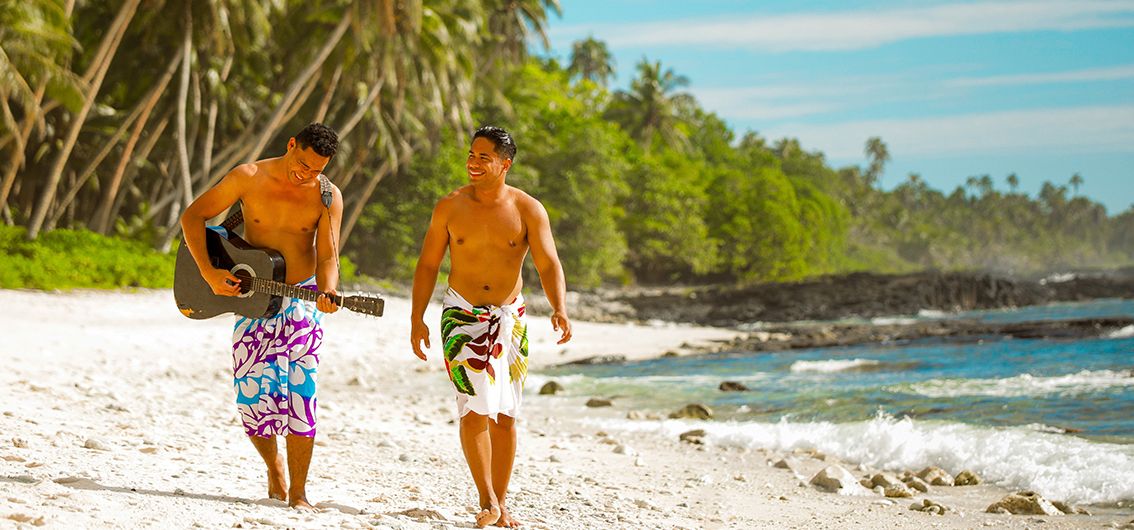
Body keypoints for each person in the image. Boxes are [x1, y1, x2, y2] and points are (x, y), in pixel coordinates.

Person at [410, 126, 572, 528]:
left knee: (506, 414)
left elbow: (548, 262)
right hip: (461, 315)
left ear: (505, 164)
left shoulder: (528, 209)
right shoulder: (449, 206)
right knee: (473, 408)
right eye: (471, 154)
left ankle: (501, 503)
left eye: (484, 157)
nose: (474, 162)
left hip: (509, 318)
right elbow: (428, 264)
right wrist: (417, 318)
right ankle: (486, 501)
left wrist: (560, 307)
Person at [179, 122, 343, 509]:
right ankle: (273, 466)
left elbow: (328, 254)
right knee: (252, 399)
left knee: (302, 396)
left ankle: (300, 493)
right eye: (302, 163)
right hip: (253, 301)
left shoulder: (327, 196)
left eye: (316, 169)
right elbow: (193, 217)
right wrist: (209, 272)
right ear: (291, 145)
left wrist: (329, 288)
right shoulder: (248, 176)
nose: (306, 174)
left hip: (300, 297)